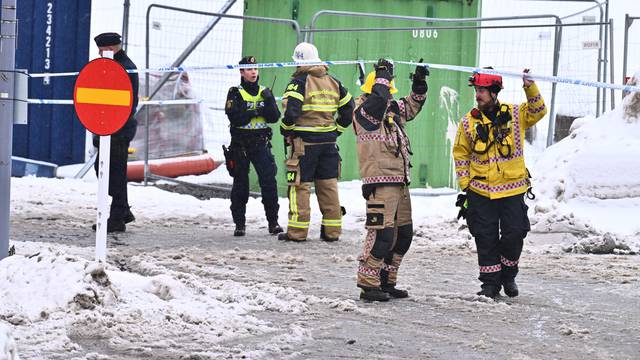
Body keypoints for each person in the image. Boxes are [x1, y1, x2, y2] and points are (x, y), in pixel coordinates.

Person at [453, 68, 547, 298]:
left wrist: (529, 86)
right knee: (485, 237)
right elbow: (461, 154)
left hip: (512, 190)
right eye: (476, 90)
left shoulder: (515, 114)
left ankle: (508, 275)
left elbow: (539, 110)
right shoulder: (468, 122)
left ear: (494, 92)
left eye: (482, 90)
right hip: (480, 191)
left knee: (515, 233)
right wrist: (466, 183)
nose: (478, 94)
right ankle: (490, 283)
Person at [353, 59, 428, 302]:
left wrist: (419, 83)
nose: (388, 96)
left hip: (400, 180)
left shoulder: (390, 107)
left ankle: (387, 280)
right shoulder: (363, 110)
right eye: (384, 90)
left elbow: (412, 105)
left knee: (403, 234)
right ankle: (368, 282)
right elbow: (377, 102)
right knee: (381, 235)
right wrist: (383, 74)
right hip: (379, 183)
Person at [277, 42, 355, 242]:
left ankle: (297, 232)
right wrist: (336, 130)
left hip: (304, 146)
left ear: (299, 62)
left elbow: (292, 112)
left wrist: (284, 129)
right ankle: (332, 231)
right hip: (329, 145)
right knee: (328, 187)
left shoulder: (299, 82)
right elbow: (349, 109)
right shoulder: (334, 82)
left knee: (300, 187)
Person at [224, 56, 282, 236]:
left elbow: (274, 117)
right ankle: (239, 224)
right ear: (242, 72)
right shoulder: (235, 92)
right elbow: (235, 117)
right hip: (240, 144)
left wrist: (269, 102)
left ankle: (273, 223)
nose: (253, 72)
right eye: (249, 69)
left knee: (269, 182)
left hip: (260, 143)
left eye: (256, 69)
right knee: (241, 184)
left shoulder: (265, 91)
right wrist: (257, 111)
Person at [92, 32, 137, 233]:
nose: (100, 54)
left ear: (109, 49)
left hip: (118, 128)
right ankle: (123, 210)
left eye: (101, 51)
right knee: (105, 169)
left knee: (115, 173)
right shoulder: (116, 65)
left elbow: (124, 102)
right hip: (111, 127)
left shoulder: (122, 67)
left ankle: (118, 217)